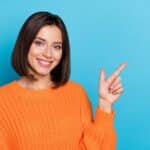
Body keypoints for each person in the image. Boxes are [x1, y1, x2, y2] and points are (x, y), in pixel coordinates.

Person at [0, 11, 127, 150]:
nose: (48, 54)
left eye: (56, 47)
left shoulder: (76, 93)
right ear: (24, 44)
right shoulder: (3, 100)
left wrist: (105, 104)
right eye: (39, 43)